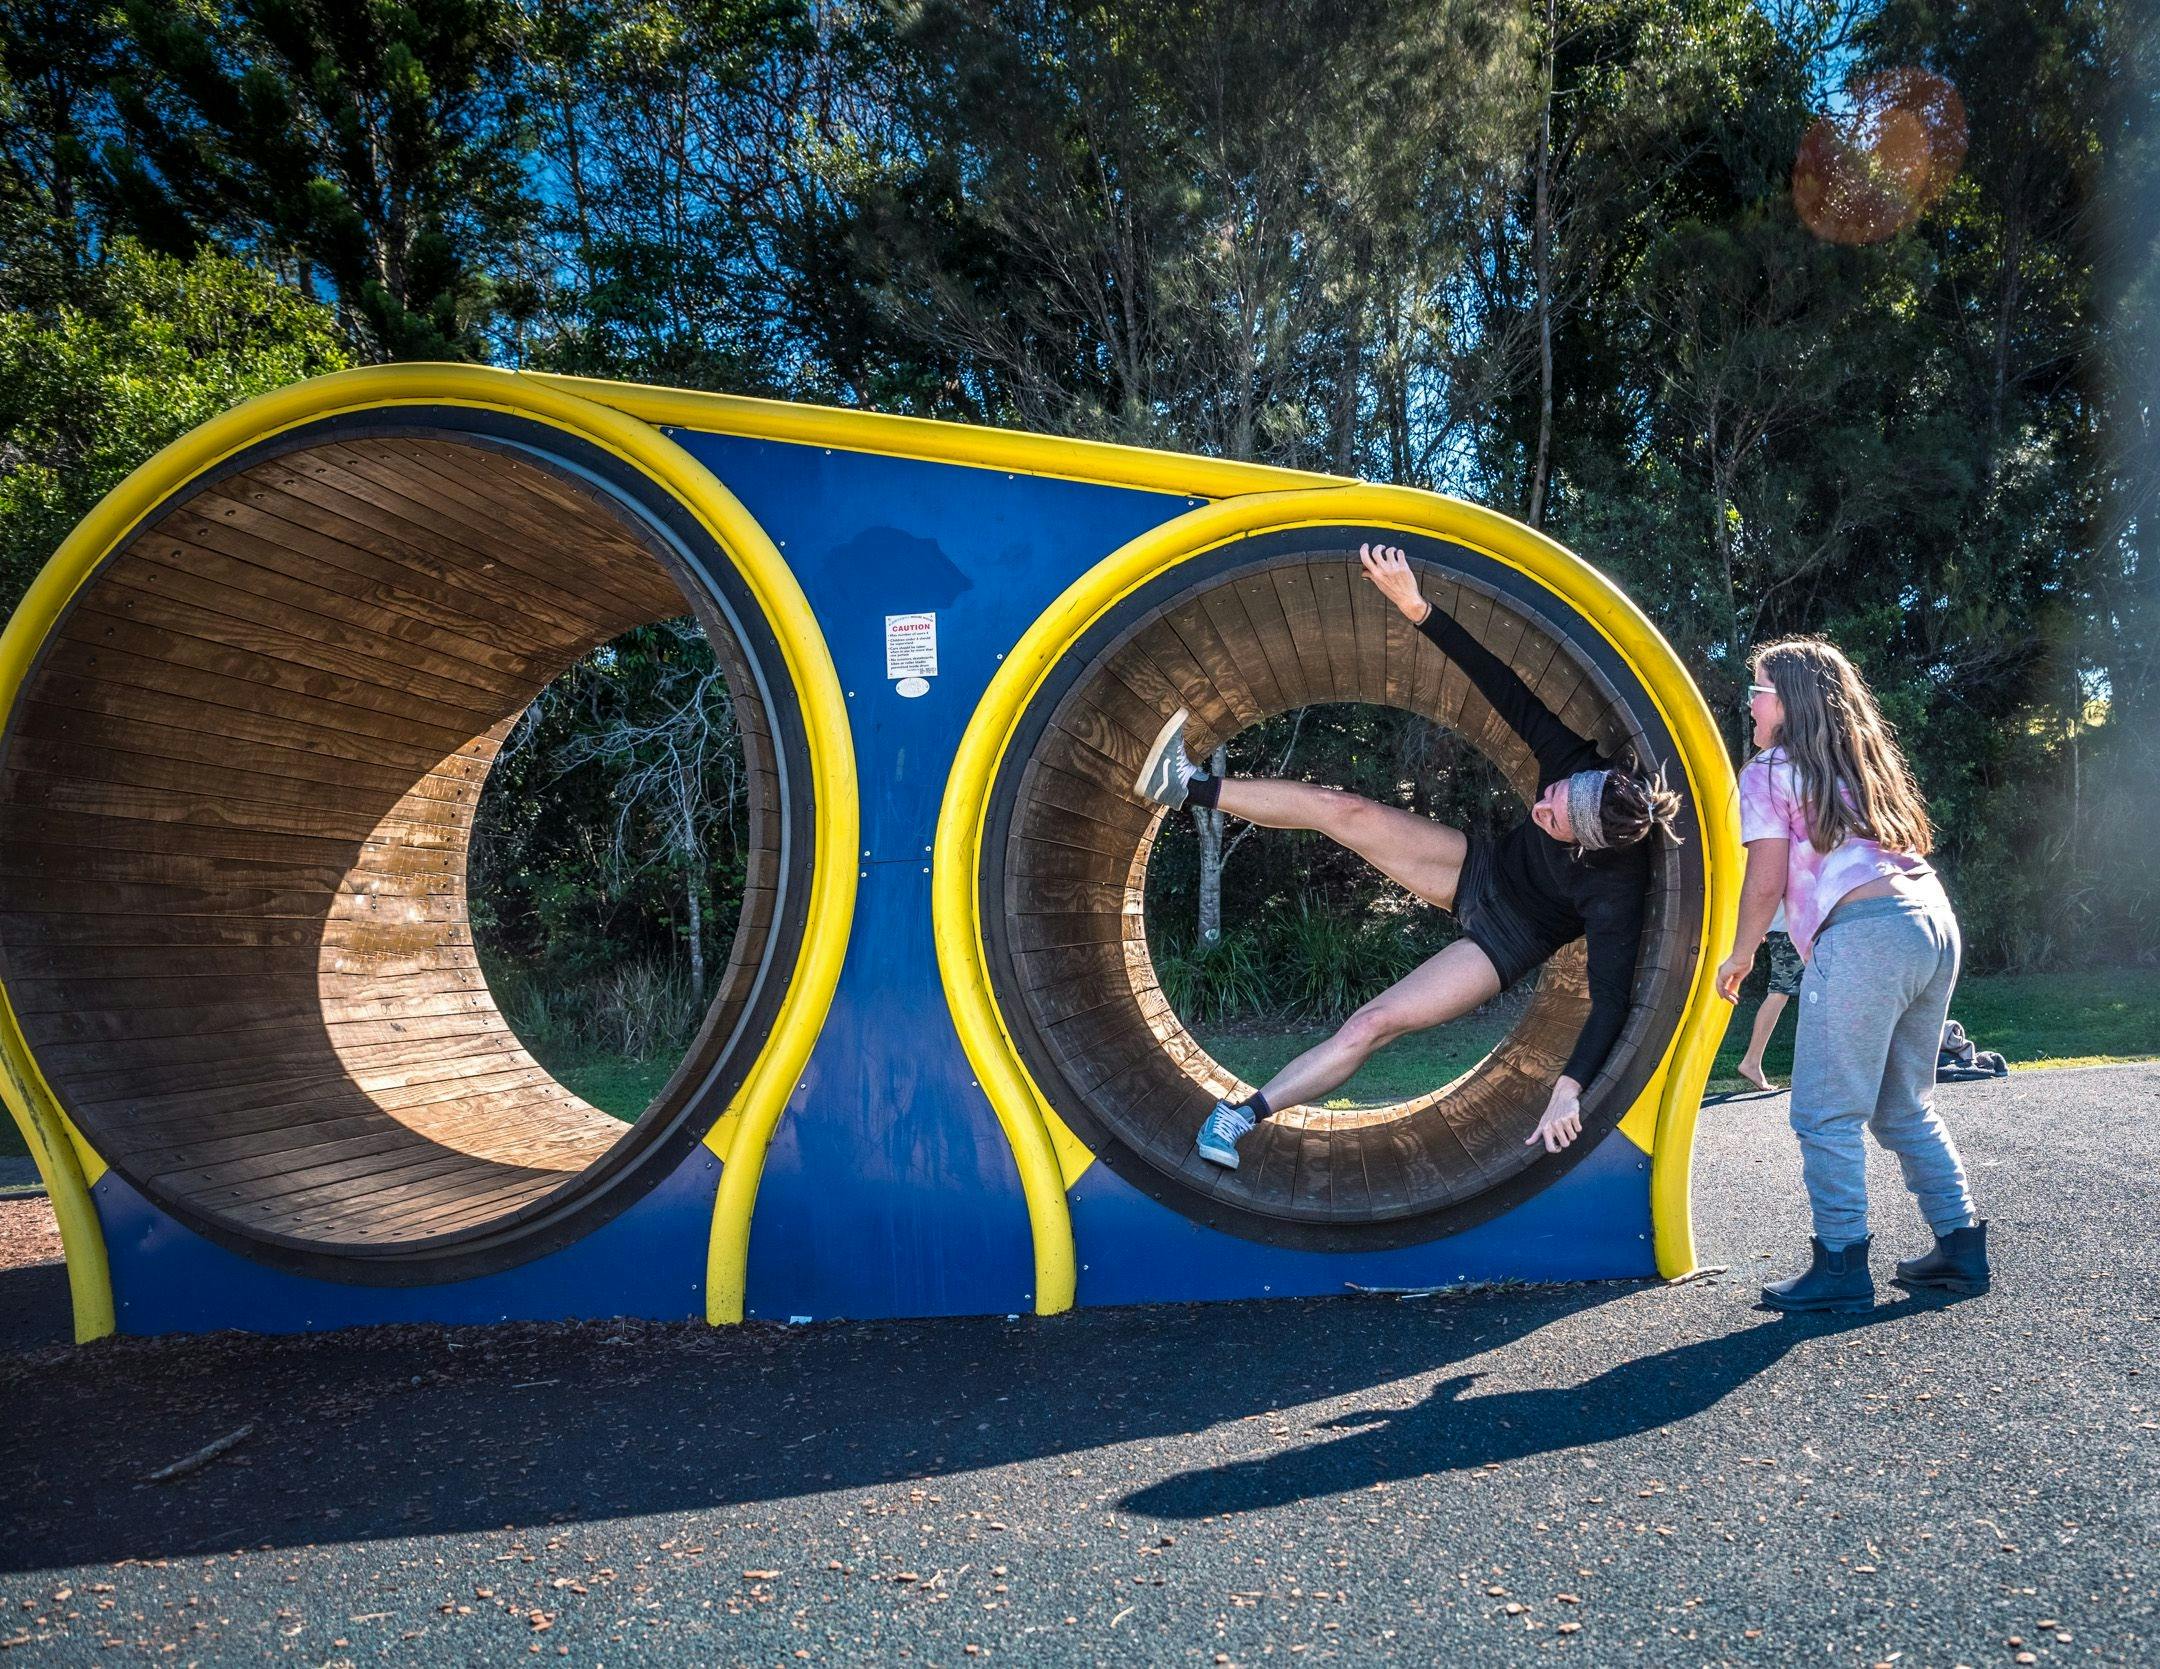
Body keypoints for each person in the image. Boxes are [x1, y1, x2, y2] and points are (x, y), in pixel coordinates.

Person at [1132, 543, 1681, 1169]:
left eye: (1553, 820)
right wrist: (1419, 610)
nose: (1542, 807)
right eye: (1550, 795)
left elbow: (1612, 1000)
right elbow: (1502, 684)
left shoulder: (1614, 886)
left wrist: (1567, 1089)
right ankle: (1187, 786)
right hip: (1479, 868)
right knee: (1346, 811)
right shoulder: (1576, 766)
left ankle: (1237, 1117)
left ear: (1585, 846)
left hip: (1508, 940)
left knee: (1372, 1024)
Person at [1715, 636, 1990, 1311]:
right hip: (1930, 922)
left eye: (1759, 689)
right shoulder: (1857, 766)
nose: (1750, 701)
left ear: (1790, 702)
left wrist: (1742, 952)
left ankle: (1840, 1264)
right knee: (1903, 1105)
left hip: (1865, 936)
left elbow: (1764, 881)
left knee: (1823, 1110)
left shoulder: (1769, 770)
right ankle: (1961, 1249)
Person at [1733, 902, 1801, 1090]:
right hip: (1791, 929)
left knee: (1784, 992)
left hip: (1788, 927)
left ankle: (1752, 1061)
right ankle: (1751, 1061)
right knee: (1780, 992)